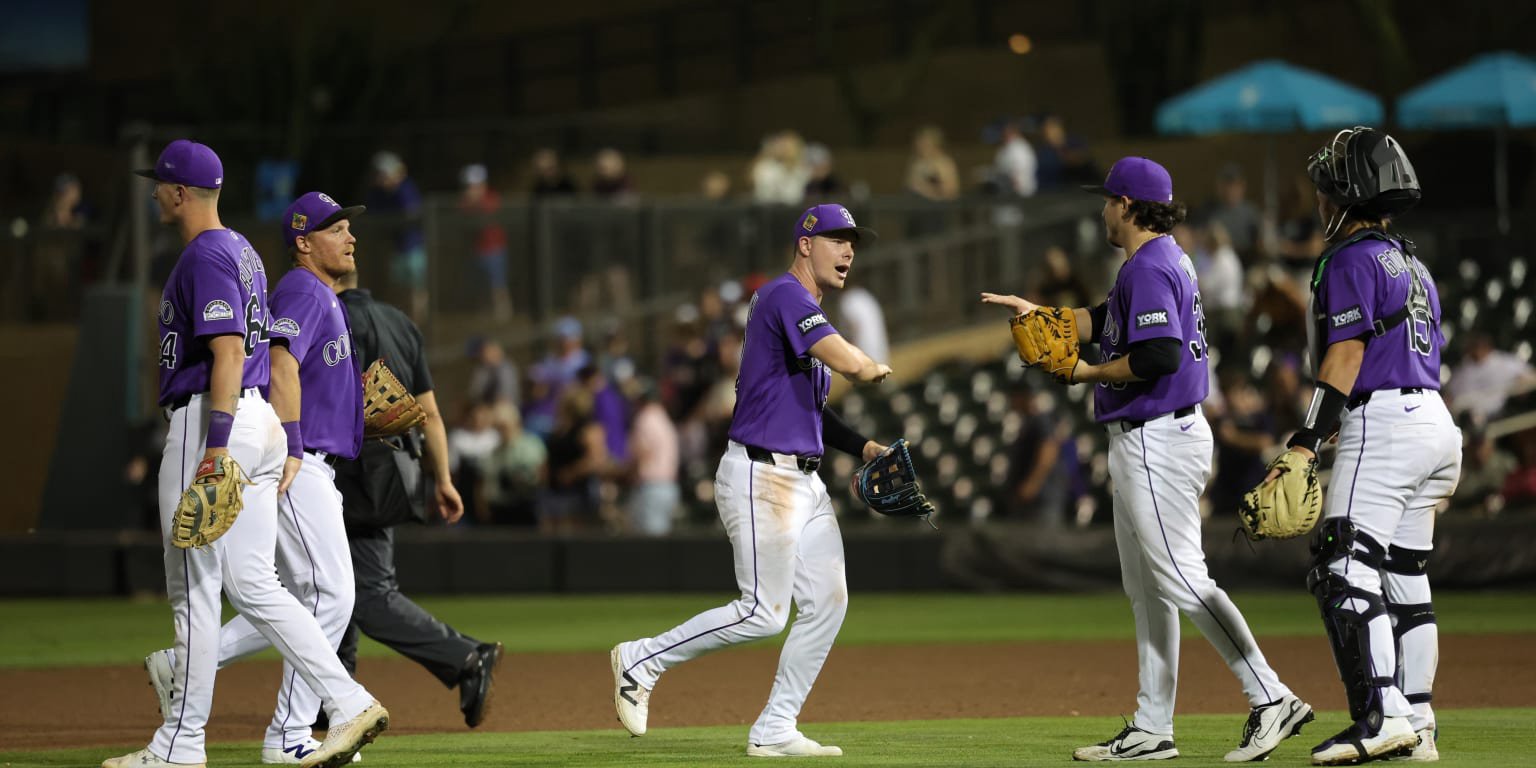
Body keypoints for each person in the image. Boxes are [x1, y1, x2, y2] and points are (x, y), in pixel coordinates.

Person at [981, 156, 1312, 763]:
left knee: (1181, 578)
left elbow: (1159, 354)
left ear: (1128, 206)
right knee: (1149, 589)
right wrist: (1046, 316)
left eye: (1108, 200)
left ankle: (1271, 696)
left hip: (1157, 437)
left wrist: (1084, 373)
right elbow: (1107, 319)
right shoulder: (1160, 260)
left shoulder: (1151, 266)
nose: (1103, 210)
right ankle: (1153, 726)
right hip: (1151, 435)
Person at [119, 140, 386, 768]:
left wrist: (215, 446)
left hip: (215, 418)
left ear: (179, 192)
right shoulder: (241, 249)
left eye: (160, 184)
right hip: (259, 421)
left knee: (195, 588)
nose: (154, 192)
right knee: (254, 583)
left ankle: (180, 744)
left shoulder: (206, 253)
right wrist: (280, 436)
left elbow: (230, 351)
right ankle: (348, 701)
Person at [610, 203, 894, 757]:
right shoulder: (785, 295)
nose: (848, 250)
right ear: (806, 244)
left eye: (853, 242)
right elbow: (851, 363)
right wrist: (869, 364)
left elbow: (813, 411)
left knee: (828, 601)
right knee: (764, 612)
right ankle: (641, 659)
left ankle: (776, 727)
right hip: (761, 474)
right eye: (837, 239)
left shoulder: (802, 311)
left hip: (804, 481)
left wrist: (863, 447)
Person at [1251, 127, 1458, 764]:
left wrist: (1305, 442)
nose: (1319, 199)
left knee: (1341, 564)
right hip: (1434, 421)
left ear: (1344, 194)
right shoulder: (1411, 262)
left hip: (1387, 423)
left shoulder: (1349, 258)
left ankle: (1382, 714)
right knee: (1404, 576)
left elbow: (1346, 355)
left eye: (1325, 188)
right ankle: (1418, 721)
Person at [329, 269, 504, 729]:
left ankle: (465, 656)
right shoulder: (400, 322)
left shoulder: (329, 315)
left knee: (364, 594)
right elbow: (430, 414)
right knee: (336, 586)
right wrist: (443, 478)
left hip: (350, 471)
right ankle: (332, 696)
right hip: (396, 468)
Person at [364, 151, 427, 320]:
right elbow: (374, 214)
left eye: (384, 174)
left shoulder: (406, 189)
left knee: (416, 289)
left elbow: (410, 213)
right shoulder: (379, 194)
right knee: (399, 289)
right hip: (395, 250)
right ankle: (404, 320)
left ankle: (416, 322)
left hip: (413, 248)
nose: (381, 178)